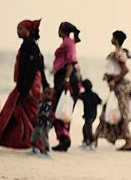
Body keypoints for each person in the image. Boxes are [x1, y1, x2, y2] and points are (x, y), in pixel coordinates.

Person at [0, 19, 49, 149]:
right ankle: (2, 140)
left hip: (27, 85)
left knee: (13, 112)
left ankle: (37, 144)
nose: (18, 32)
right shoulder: (32, 45)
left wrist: (25, 89)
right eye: (17, 29)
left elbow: (30, 69)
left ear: (28, 30)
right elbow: (39, 67)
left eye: (20, 28)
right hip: (28, 84)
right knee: (22, 114)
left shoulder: (29, 45)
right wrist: (44, 84)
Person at [94, 30, 131, 151]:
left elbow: (125, 70)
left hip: (120, 88)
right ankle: (96, 137)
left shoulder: (119, 54)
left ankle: (128, 140)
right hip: (120, 87)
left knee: (121, 112)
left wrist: (114, 81)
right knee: (110, 110)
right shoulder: (121, 53)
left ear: (115, 39)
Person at [51, 21, 81, 152]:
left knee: (62, 108)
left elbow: (70, 62)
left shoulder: (68, 43)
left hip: (66, 78)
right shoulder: (68, 42)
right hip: (64, 77)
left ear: (61, 30)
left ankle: (64, 139)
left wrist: (67, 79)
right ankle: (63, 139)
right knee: (62, 107)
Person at [29, 87, 54, 158]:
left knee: (44, 138)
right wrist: (31, 97)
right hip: (39, 124)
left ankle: (47, 152)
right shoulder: (42, 102)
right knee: (34, 137)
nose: (46, 95)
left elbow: (44, 114)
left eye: (49, 94)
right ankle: (34, 150)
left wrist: (35, 117)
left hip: (45, 125)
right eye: (45, 93)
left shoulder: (49, 104)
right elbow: (36, 102)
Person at [79, 79, 102, 149]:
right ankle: (86, 141)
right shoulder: (94, 94)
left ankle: (92, 142)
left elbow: (77, 95)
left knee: (88, 129)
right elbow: (100, 101)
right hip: (93, 114)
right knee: (85, 128)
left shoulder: (84, 94)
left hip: (88, 115)